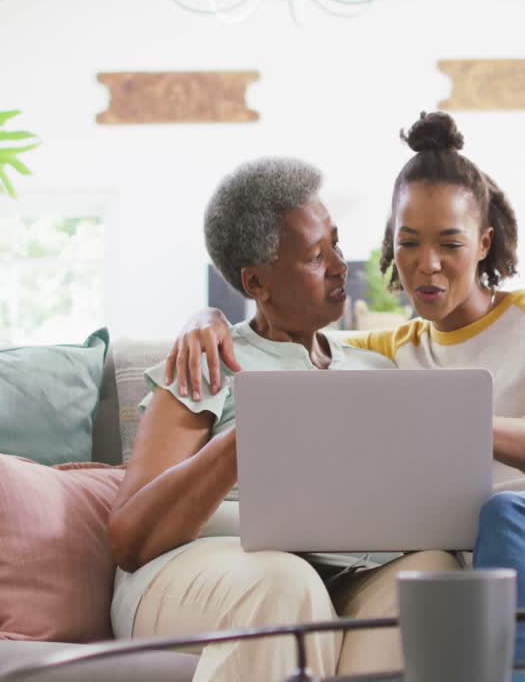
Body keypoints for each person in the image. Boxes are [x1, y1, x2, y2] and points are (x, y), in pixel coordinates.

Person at [165, 112, 525, 667]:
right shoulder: (387, 353)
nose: (426, 266)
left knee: (507, 513)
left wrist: (453, 424)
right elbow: (290, 336)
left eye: (449, 244)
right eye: (409, 243)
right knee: (507, 626)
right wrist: (206, 315)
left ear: (483, 243)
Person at [107, 156, 460, 682]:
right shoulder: (207, 360)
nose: (342, 266)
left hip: (340, 575)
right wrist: (251, 437)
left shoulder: (376, 369)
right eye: (318, 257)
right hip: (196, 573)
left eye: (336, 244)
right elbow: (131, 539)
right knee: (286, 583)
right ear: (257, 283)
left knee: (434, 574)